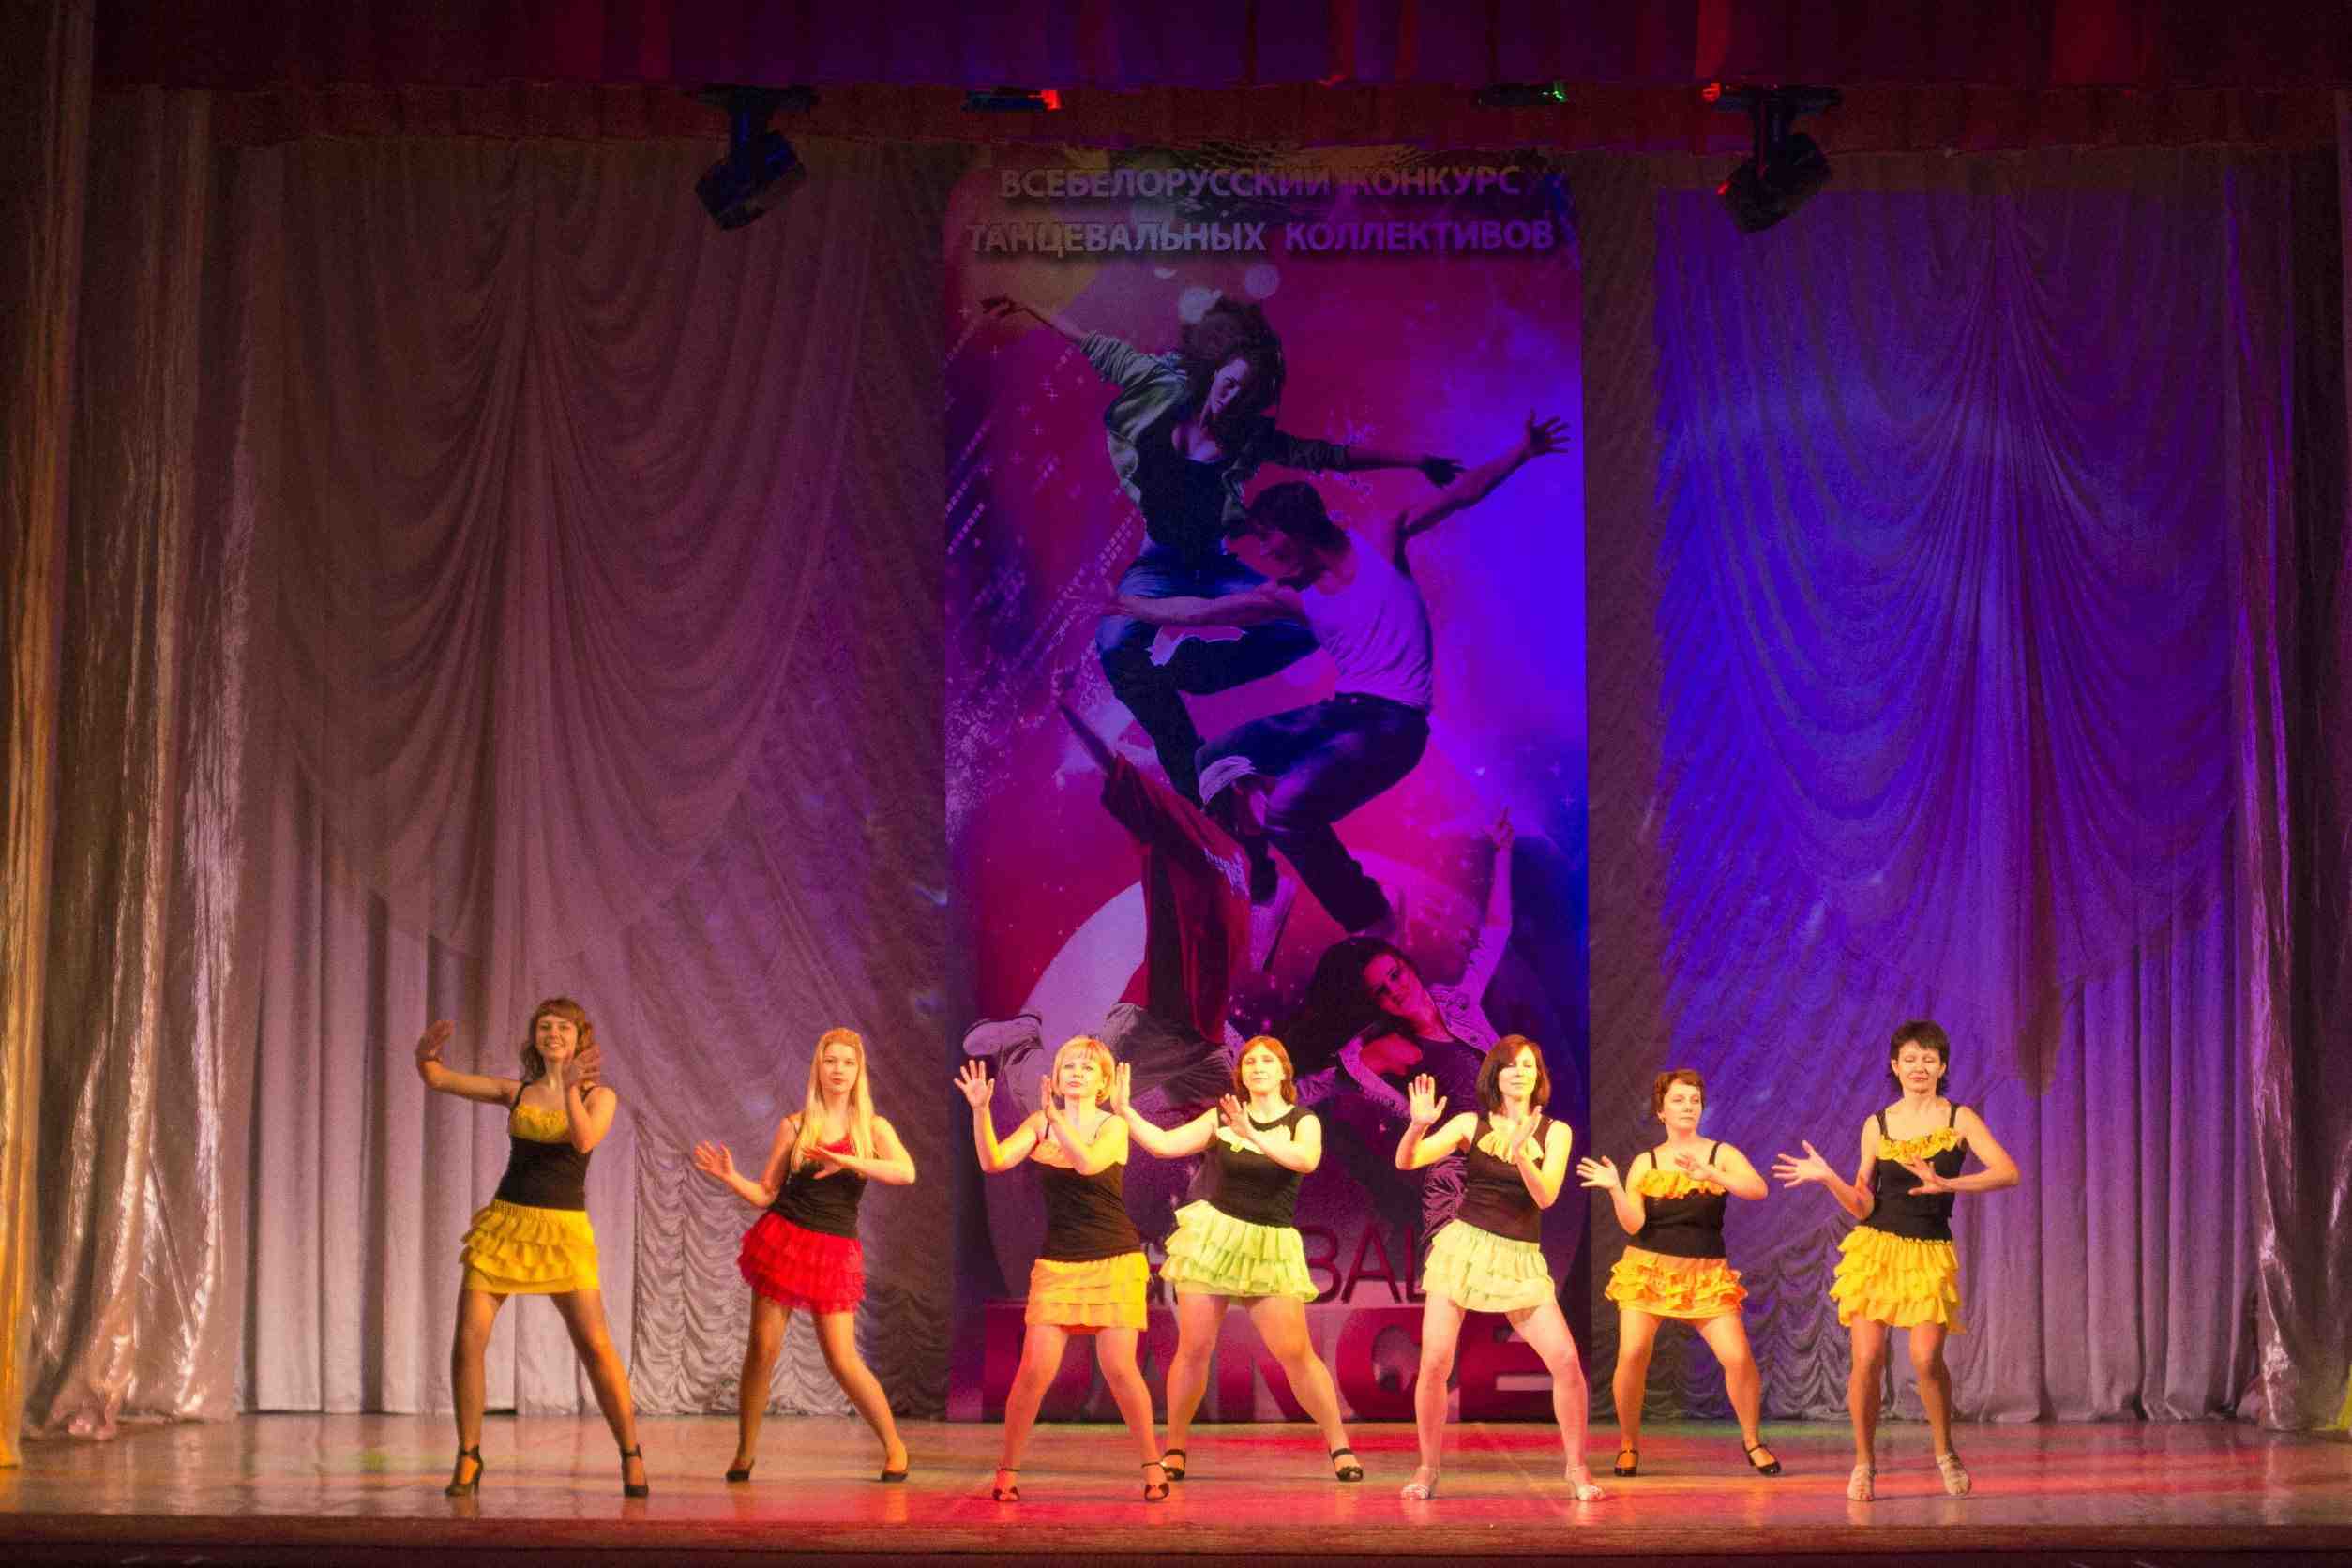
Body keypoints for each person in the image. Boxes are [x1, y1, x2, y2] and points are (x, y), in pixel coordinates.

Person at [984, 292, 1458, 805]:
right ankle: (1192, 775)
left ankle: (1197, 670)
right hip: (1161, 562)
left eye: (1243, 394)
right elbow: (1095, 344)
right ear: (1214, 374)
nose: (1229, 399)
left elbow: (1328, 455)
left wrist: (1414, 461)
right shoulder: (1161, 387)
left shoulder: (1251, 438)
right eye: (1228, 384)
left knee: (1304, 625)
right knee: (1115, 645)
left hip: (1213, 565)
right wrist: (1029, 305)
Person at [1114, 414, 1567, 932]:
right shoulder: (1291, 595)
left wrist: (1521, 451)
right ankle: (1262, 878)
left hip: (1395, 726)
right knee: (1214, 759)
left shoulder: (1380, 539)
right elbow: (1204, 612)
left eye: (1266, 538)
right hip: (1341, 711)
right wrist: (1130, 606)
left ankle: (1372, 916)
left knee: (1288, 810)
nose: (1264, 552)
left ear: (1295, 530)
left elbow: (1461, 494)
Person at [1772, 1020, 2020, 1501]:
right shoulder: (1877, 1125)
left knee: (1926, 1359)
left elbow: (2008, 1172)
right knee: (1866, 1358)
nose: (1919, 1066)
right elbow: (1862, 1204)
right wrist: (1829, 1178)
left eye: (1929, 1058)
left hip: (1928, 1251)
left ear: (1942, 1066)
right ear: (1895, 1066)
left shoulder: (1959, 1119)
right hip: (1877, 1248)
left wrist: (1949, 1184)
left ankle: (1946, 1453)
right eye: (1910, 1059)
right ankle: (1864, 1463)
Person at [412, 1002, 647, 1498]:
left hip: (562, 1231)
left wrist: (570, 1088)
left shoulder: (600, 1096)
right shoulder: (516, 1091)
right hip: (506, 1224)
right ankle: (469, 1455)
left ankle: (631, 1453)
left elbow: (583, 1141)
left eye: (563, 1027)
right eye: (544, 1026)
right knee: (469, 1338)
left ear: (580, 1037)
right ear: (535, 1036)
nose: (553, 1033)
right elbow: (438, 1079)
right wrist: (425, 1054)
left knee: (595, 1346)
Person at [1111, 1037, 1362, 1485]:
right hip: (1213, 1240)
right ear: (1241, 1074)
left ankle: (1340, 1445)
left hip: (1268, 1246)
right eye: (1249, 1061)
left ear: (1283, 1072)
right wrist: (1127, 1112)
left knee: (1296, 1353)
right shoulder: (1223, 1116)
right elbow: (1165, 1145)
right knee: (1194, 1349)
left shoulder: (1302, 1120)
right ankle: (1175, 1448)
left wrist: (1253, 1135)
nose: (1258, 1066)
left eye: (1267, 1060)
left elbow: (1306, 1161)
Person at [690, 1027, 915, 1485]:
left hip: (834, 1249)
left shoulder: (873, 1128)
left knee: (842, 1359)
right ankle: (745, 1452)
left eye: (847, 1062)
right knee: (762, 1350)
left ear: (858, 1071)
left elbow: (905, 1172)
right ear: (819, 1067)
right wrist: (731, 1177)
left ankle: (895, 1447)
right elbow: (766, 1193)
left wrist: (849, 1161)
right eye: (831, 1061)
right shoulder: (795, 1125)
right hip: (786, 1240)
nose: (839, 1070)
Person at [955, 1038, 1168, 1502]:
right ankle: (1008, 1468)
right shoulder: (1040, 1123)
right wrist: (980, 1111)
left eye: (1087, 1068)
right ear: (1055, 1075)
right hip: (1059, 1262)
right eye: (1068, 1065)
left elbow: (1088, 1164)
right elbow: (993, 1161)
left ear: (1103, 1082)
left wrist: (1057, 1120)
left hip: (1114, 1259)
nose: (1075, 1072)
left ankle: (1153, 1464)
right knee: (1034, 1370)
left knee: (1119, 1369)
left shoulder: (1113, 1125)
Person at [1393, 1035, 1603, 1502]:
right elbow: (1407, 1161)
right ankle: (1427, 1467)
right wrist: (1418, 1126)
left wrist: (1523, 1151)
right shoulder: (1470, 1123)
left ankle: (1577, 1468)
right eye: (1510, 1065)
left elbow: (1546, 1196)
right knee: (1435, 1362)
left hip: (1519, 1259)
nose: (1520, 1072)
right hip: (1464, 1251)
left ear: (1538, 1076)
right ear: (1496, 1076)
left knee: (1567, 1363)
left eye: (1529, 1065)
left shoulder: (1556, 1132)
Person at [1577, 1068, 1776, 1477]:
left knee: (1738, 1357)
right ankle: (1628, 1445)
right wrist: (1616, 1188)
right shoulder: (1646, 1162)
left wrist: (1712, 1174)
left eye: (1694, 1100)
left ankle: (1753, 1441)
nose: (1688, 1107)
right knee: (1632, 1353)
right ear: (1661, 1111)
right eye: (1678, 1100)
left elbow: (1758, 1189)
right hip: (1648, 1272)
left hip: (1705, 1274)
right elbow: (1633, 1224)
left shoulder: (1721, 1153)